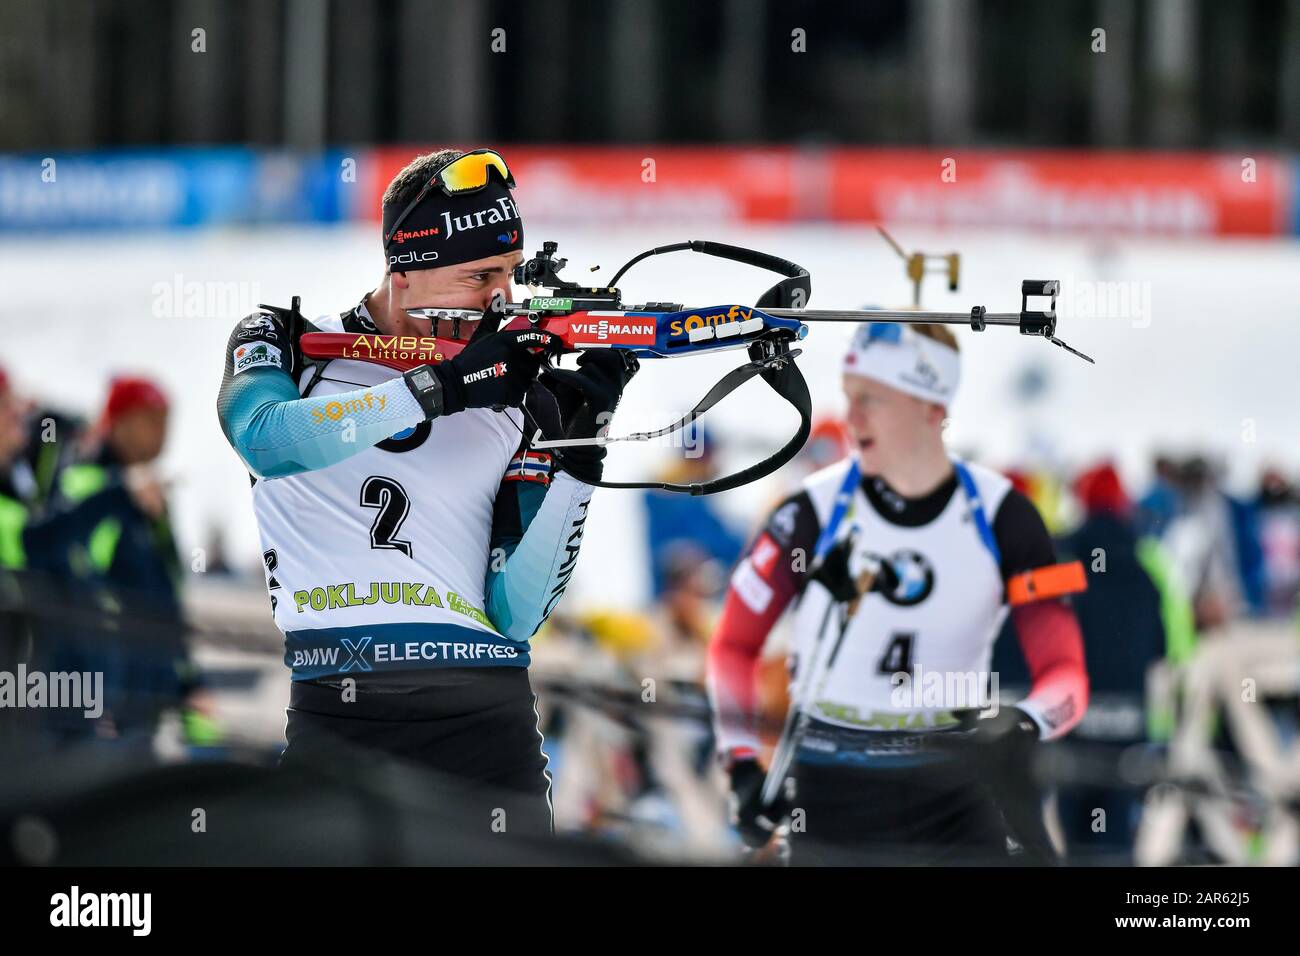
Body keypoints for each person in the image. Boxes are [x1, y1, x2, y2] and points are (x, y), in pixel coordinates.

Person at [216, 148, 635, 838]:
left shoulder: (514, 388)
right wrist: (440, 390)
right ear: (404, 276)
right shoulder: (289, 341)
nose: (501, 299)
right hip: (339, 714)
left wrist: (578, 457)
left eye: (509, 273)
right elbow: (267, 438)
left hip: (488, 727)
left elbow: (518, 611)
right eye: (479, 276)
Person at [707, 321, 1089, 864]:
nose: (851, 417)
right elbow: (732, 646)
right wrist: (742, 765)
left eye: (873, 400)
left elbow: (1067, 675)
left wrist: (1024, 721)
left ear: (932, 408)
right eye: (849, 396)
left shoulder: (1007, 516)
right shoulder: (809, 513)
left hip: (956, 793)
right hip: (831, 794)